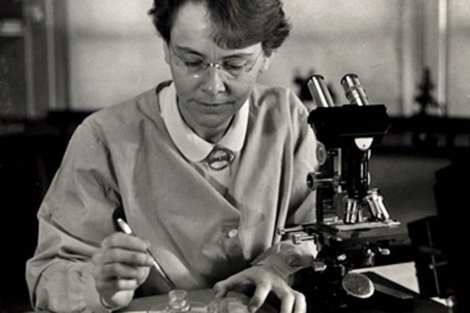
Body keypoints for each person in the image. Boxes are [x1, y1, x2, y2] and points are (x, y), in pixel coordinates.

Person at [26, 0, 318, 312]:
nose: (212, 87)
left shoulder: (288, 119)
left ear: (266, 55)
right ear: (166, 48)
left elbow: (318, 230)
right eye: (192, 62)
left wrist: (277, 265)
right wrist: (96, 286)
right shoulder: (103, 139)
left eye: (234, 65)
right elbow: (48, 276)